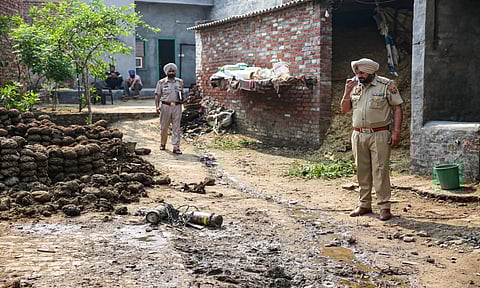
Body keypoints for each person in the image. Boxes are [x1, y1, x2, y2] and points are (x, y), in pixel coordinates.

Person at [341, 58, 403, 221]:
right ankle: (364, 204)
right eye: (357, 73)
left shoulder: (386, 85)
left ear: (371, 71)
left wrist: (396, 132)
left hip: (379, 134)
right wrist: (347, 91)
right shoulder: (355, 87)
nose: (359, 75)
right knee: (361, 170)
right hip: (358, 134)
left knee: (380, 170)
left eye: (362, 73)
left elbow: (397, 108)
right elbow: (345, 109)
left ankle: (384, 206)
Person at [155, 63, 185, 154]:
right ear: (166, 72)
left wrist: (184, 99)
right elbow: (157, 95)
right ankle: (163, 143)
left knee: (176, 127)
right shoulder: (161, 82)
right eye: (170, 71)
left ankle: (176, 147)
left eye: (173, 71)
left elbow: (182, 94)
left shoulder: (179, 82)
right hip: (165, 106)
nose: (171, 72)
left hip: (177, 106)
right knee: (164, 127)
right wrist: (157, 106)